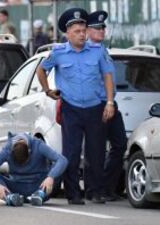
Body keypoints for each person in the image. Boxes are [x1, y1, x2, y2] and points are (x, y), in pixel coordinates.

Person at [36, 8, 115, 205]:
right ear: (68, 34)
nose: (81, 34)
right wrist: (47, 90)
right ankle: (73, 193)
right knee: (71, 152)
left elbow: (107, 76)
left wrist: (110, 102)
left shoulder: (98, 51)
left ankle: (94, 191)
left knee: (96, 151)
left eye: (83, 30)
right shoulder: (59, 53)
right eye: (77, 31)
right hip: (71, 108)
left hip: (95, 107)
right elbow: (41, 70)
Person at [84, 10, 127, 202]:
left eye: (103, 28)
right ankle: (93, 190)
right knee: (96, 149)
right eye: (97, 28)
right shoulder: (86, 51)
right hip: (96, 104)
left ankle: (108, 187)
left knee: (120, 145)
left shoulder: (103, 50)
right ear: (88, 31)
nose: (102, 31)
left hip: (110, 102)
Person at [0, 133, 68, 206]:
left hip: (39, 185)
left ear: (29, 150)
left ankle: (40, 195)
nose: (23, 166)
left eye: (25, 162)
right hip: (17, 187)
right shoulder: (7, 150)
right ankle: (10, 197)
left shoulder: (38, 145)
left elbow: (62, 160)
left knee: (57, 168)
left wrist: (51, 177)